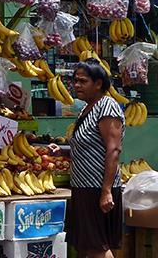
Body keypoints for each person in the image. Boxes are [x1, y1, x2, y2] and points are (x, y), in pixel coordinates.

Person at [48, 59, 124, 258]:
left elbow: (114, 150)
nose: (77, 86)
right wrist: (63, 152)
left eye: (83, 81)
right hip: (84, 187)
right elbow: (89, 148)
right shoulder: (87, 109)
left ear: (98, 84)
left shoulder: (107, 106)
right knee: (85, 246)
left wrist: (106, 190)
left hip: (97, 189)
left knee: (97, 247)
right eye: (75, 81)